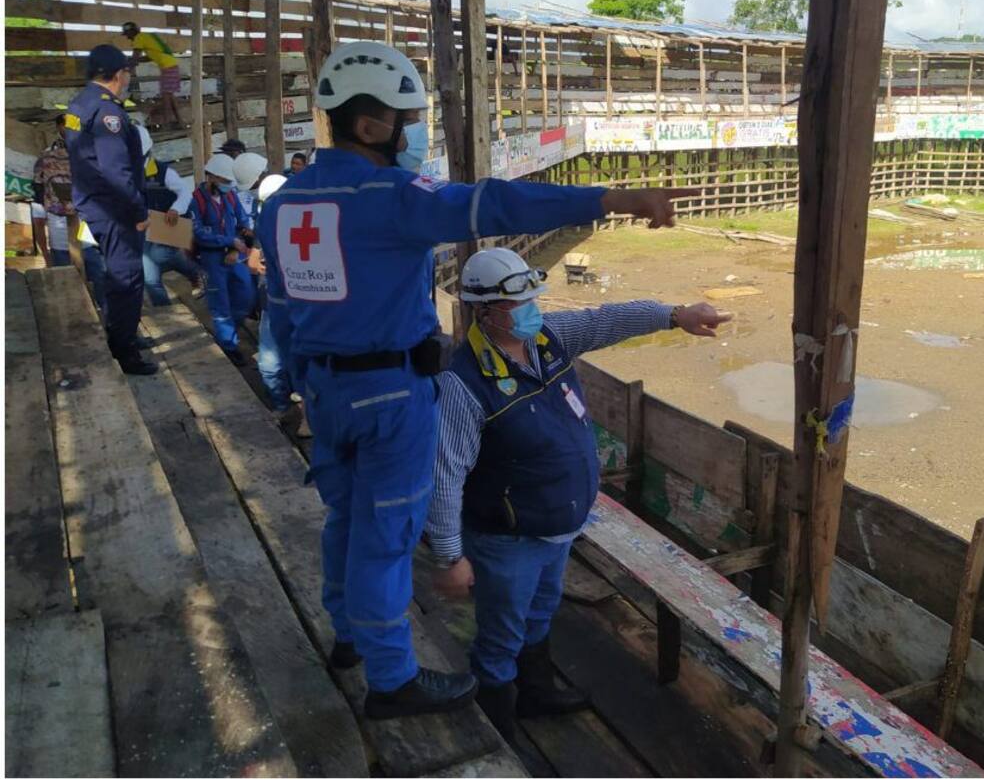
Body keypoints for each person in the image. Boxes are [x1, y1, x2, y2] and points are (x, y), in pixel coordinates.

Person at [256, 40, 694, 721]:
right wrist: (611, 197)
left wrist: (301, 386)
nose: (412, 133)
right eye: (406, 120)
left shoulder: (284, 204)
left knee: (344, 520)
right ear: (372, 126)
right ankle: (392, 679)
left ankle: (349, 636)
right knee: (386, 538)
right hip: (391, 394)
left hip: (324, 388)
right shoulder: (392, 195)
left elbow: (281, 310)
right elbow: (495, 205)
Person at [428, 248, 731, 739]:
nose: (532, 309)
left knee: (541, 612)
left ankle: (537, 693)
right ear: (484, 311)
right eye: (518, 302)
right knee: (500, 635)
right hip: (509, 540)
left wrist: (675, 316)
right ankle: (498, 733)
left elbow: (607, 320)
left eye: (532, 297)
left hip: (559, 528)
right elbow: (445, 476)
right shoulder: (463, 385)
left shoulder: (550, 340)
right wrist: (448, 556)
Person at [64, 43, 156, 375]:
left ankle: (123, 333)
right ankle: (124, 352)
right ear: (118, 75)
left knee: (118, 275)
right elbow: (116, 172)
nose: (129, 77)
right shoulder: (108, 114)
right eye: (128, 71)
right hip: (115, 210)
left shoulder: (80, 103)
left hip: (94, 202)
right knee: (127, 278)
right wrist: (138, 213)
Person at [188, 153, 256, 367]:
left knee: (246, 295)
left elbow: (242, 220)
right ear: (211, 177)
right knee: (220, 305)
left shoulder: (230, 196)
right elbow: (198, 233)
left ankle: (231, 330)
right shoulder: (195, 200)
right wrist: (228, 242)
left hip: (235, 255)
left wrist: (238, 244)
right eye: (225, 181)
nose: (228, 185)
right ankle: (229, 346)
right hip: (211, 260)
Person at [246, 172, 300, 420]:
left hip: (305, 305)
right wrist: (263, 267)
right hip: (273, 301)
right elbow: (253, 262)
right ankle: (281, 404)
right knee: (269, 363)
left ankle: (306, 410)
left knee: (304, 361)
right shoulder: (265, 225)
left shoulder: (307, 222)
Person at [139, 125, 204, 307]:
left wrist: (175, 209)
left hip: (167, 226)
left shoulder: (163, 171)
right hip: (143, 229)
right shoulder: (125, 172)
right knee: (150, 279)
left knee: (159, 255)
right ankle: (164, 309)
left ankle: (195, 272)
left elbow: (185, 192)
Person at [122, 22, 182, 128]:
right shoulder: (147, 36)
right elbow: (150, 57)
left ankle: (167, 124)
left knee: (166, 96)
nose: (127, 37)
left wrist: (127, 70)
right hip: (172, 64)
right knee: (170, 95)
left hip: (167, 66)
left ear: (132, 32)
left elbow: (136, 56)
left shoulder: (139, 38)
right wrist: (134, 60)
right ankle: (180, 121)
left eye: (127, 34)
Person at [33, 114, 75, 267]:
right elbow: (38, 189)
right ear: (58, 127)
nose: (70, 129)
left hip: (87, 229)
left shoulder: (87, 153)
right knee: (64, 272)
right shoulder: (47, 155)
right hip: (59, 226)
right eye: (66, 125)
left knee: (96, 274)